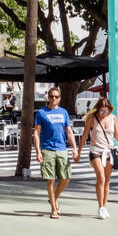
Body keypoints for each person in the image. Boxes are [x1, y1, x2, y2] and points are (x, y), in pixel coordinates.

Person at [75, 99, 118, 219]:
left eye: (107, 110)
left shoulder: (113, 118)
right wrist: (78, 153)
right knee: (101, 177)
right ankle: (100, 207)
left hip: (109, 151)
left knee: (107, 180)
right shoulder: (92, 118)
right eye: (101, 111)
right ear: (97, 109)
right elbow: (84, 135)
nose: (104, 113)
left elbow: (116, 135)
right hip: (95, 151)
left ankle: (104, 207)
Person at [33, 87, 77, 219]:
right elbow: (36, 132)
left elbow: (68, 131)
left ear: (60, 98)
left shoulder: (64, 112)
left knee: (66, 178)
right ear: (48, 97)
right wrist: (38, 151)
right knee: (51, 180)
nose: (53, 99)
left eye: (56, 97)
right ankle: (53, 208)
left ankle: (53, 198)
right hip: (47, 149)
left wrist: (74, 148)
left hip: (62, 149)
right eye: (51, 96)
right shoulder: (41, 113)